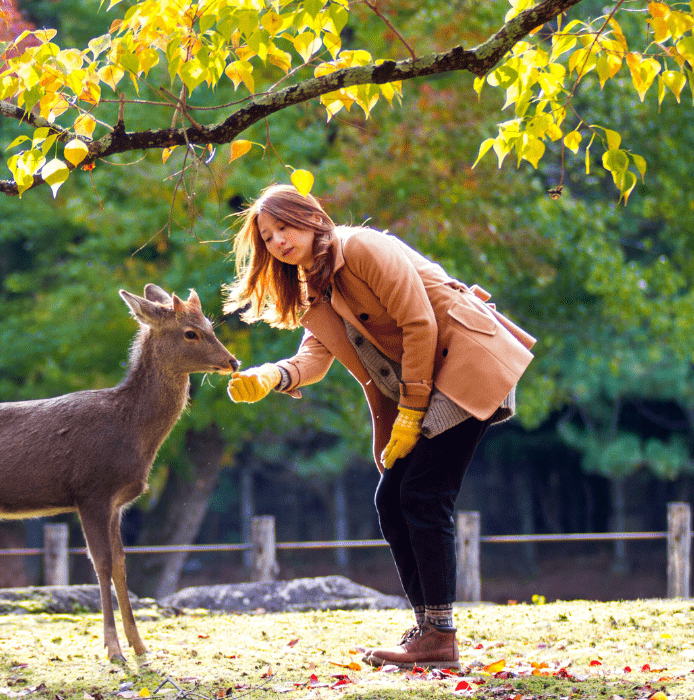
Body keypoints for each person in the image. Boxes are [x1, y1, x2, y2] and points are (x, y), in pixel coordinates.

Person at [223, 184, 536, 670]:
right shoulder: (314, 285)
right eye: (267, 237)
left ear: (310, 217)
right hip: (427, 380)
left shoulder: (360, 248)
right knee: (391, 500)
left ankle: (438, 635)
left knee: (423, 496)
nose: (277, 241)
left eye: (283, 226)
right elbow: (316, 355)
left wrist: (411, 413)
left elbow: (420, 324)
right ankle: (429, 631)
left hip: (464, 361)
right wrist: (273, 376)